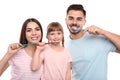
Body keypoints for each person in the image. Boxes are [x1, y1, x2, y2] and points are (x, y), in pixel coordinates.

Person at [64, 4, 120, 80]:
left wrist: (103, 32)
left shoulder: (98, 38)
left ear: (84, 22)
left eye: (79, 19)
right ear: (66, 20)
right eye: (71, 18)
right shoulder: (64, 43)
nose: (74, 22)